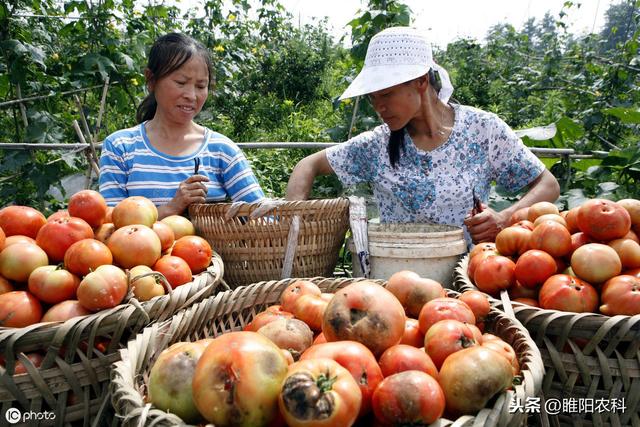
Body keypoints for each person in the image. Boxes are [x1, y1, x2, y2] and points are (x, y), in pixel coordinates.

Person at [286, 26, 560, 244]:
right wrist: (292, 231)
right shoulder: (377, 145)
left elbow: (548, 186)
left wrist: (505, 218)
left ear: (421, 81)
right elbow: (307, 165)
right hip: (396, 286)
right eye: (372, 98)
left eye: (386, 94)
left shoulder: (483, 129)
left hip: (469, 284)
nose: (379, 106)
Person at [99, 33, 264, 218]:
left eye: (201, 86)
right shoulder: (120, 147)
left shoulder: (221, 150)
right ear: (151, 80)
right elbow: (110, 224)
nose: (191, 96)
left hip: (209, 249)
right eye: (181, 83)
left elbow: (264, 215)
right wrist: (172, 208)